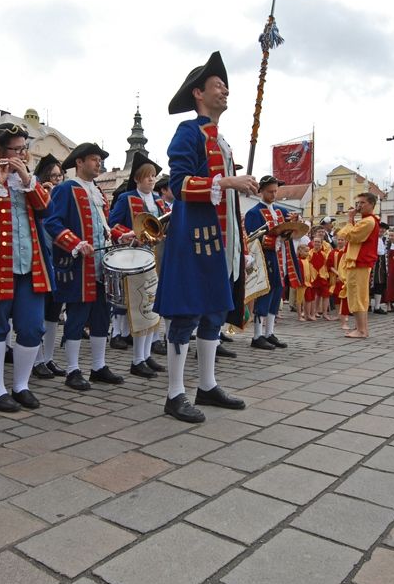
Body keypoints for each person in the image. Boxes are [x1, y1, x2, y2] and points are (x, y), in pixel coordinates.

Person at [152, 51, 255, 422]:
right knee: (187, 313)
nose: (225, 90)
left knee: (214, 311)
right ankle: (174, 393)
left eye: (226, 85)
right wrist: (228, 181)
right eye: (217, 85)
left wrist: (239, 240)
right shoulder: (188, 132)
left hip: (223, 240)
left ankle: (207, 385)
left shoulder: (222, 140)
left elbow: (226, 198)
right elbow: (179, 184)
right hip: (195, 237)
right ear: (199, 93)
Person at [0, 123, 55, 412]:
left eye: (23, 148)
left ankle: (21, 385)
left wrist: (26, 178)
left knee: (32, 327)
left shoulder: (29, 180)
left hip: (30, 265)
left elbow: (45, 209)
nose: (21, 153)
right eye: (15, 149)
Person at [44, 142, 125, 392]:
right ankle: (72, 370)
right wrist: (75, 243)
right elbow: (52, 222)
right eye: (93, 159)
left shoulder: (98, 192)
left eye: (100, 159)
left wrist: (120, 235)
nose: (98, 163)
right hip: (79, 265)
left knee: (102, 315)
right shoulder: (66, 189)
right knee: (77, 317)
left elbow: (105, 225)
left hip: (102, 264)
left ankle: (99, 366)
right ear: (79, 162)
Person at [108, 152, 168, 378]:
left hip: (156, 256)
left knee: (152, 306)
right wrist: (130, 234)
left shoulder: (160, 201)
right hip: (135, 257)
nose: (152, 180)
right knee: (140, 306)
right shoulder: (126, 198)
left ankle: (146, 355)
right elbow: (112, 224)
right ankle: (137, 359)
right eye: (147, 176)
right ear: (137, 179)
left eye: (153, 176)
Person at [245, 175, 300, 349]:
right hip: (265, 258)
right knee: (265, 293)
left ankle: (269, 332)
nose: (274, 194)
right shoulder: (253, 213)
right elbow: (253, 239)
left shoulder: (282, 211)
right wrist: (274, 239)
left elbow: (292, 234)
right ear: (261, 191)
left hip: (281, 256)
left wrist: (294, 225)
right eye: (270, 191)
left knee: (277, 293)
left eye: (276, 191)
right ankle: (257, 335)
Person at [32, 153, 68, 379]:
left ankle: (48, 358)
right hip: (40, 258)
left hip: (58, 258)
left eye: (59, 176)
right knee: (38, 313)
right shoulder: (37, 192)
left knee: (53, 312)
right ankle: (36, 360)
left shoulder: (61, 195)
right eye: (52, 176)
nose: (56, 180)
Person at [337, 192, 381, 338]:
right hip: (358, 262)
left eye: (362, 203)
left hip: (359, 262)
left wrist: (350, 219)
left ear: (371, 205)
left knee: (357, 295)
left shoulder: (368, 221)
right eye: (358, 203)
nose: (359, 206)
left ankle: (361, 330)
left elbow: (349, 235)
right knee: (357, 295)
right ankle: (361, 328)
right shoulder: (366, 220)